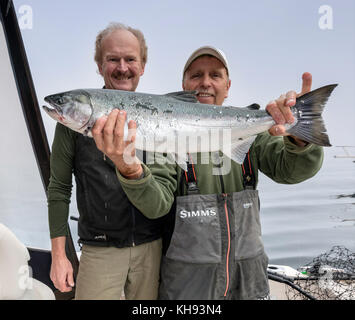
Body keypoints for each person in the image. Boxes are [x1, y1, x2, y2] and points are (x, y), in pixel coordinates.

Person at [92, 46, 324, 299]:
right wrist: (127, 165)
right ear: (183, 85)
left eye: (215, 75)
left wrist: (300, 133)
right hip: (187, 289)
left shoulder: (251, 133)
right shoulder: (164, 140)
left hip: (248, 283)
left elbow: (293, 172)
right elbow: (155, 206)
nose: (205, 82)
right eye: (196, 75)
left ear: (228, 84)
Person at [47, 22, 174, 300]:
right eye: (112, 59)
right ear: (99, 64)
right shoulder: (71, 122)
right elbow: (58, 188)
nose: (122, 67)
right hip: (98, 250)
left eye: (130, 59)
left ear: (142, 66)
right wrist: (59, 256)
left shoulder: (163, 118)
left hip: (151, 249)